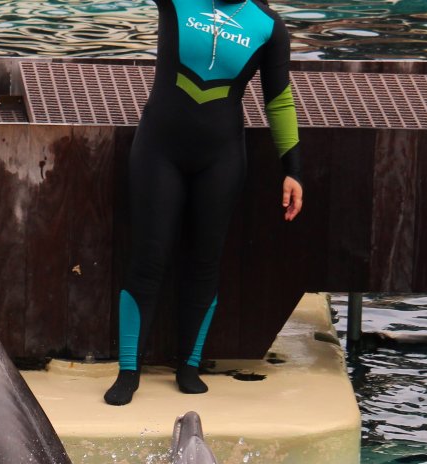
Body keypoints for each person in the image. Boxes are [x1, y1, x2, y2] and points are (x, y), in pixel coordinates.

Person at [105, 0, 304, 407]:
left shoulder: (268, 27)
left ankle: (188, 366)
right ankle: (129, 370)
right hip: (159, 151)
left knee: (205, 261)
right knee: (148, 258)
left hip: (221, 159)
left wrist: (292, 169)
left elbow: (279, 100)